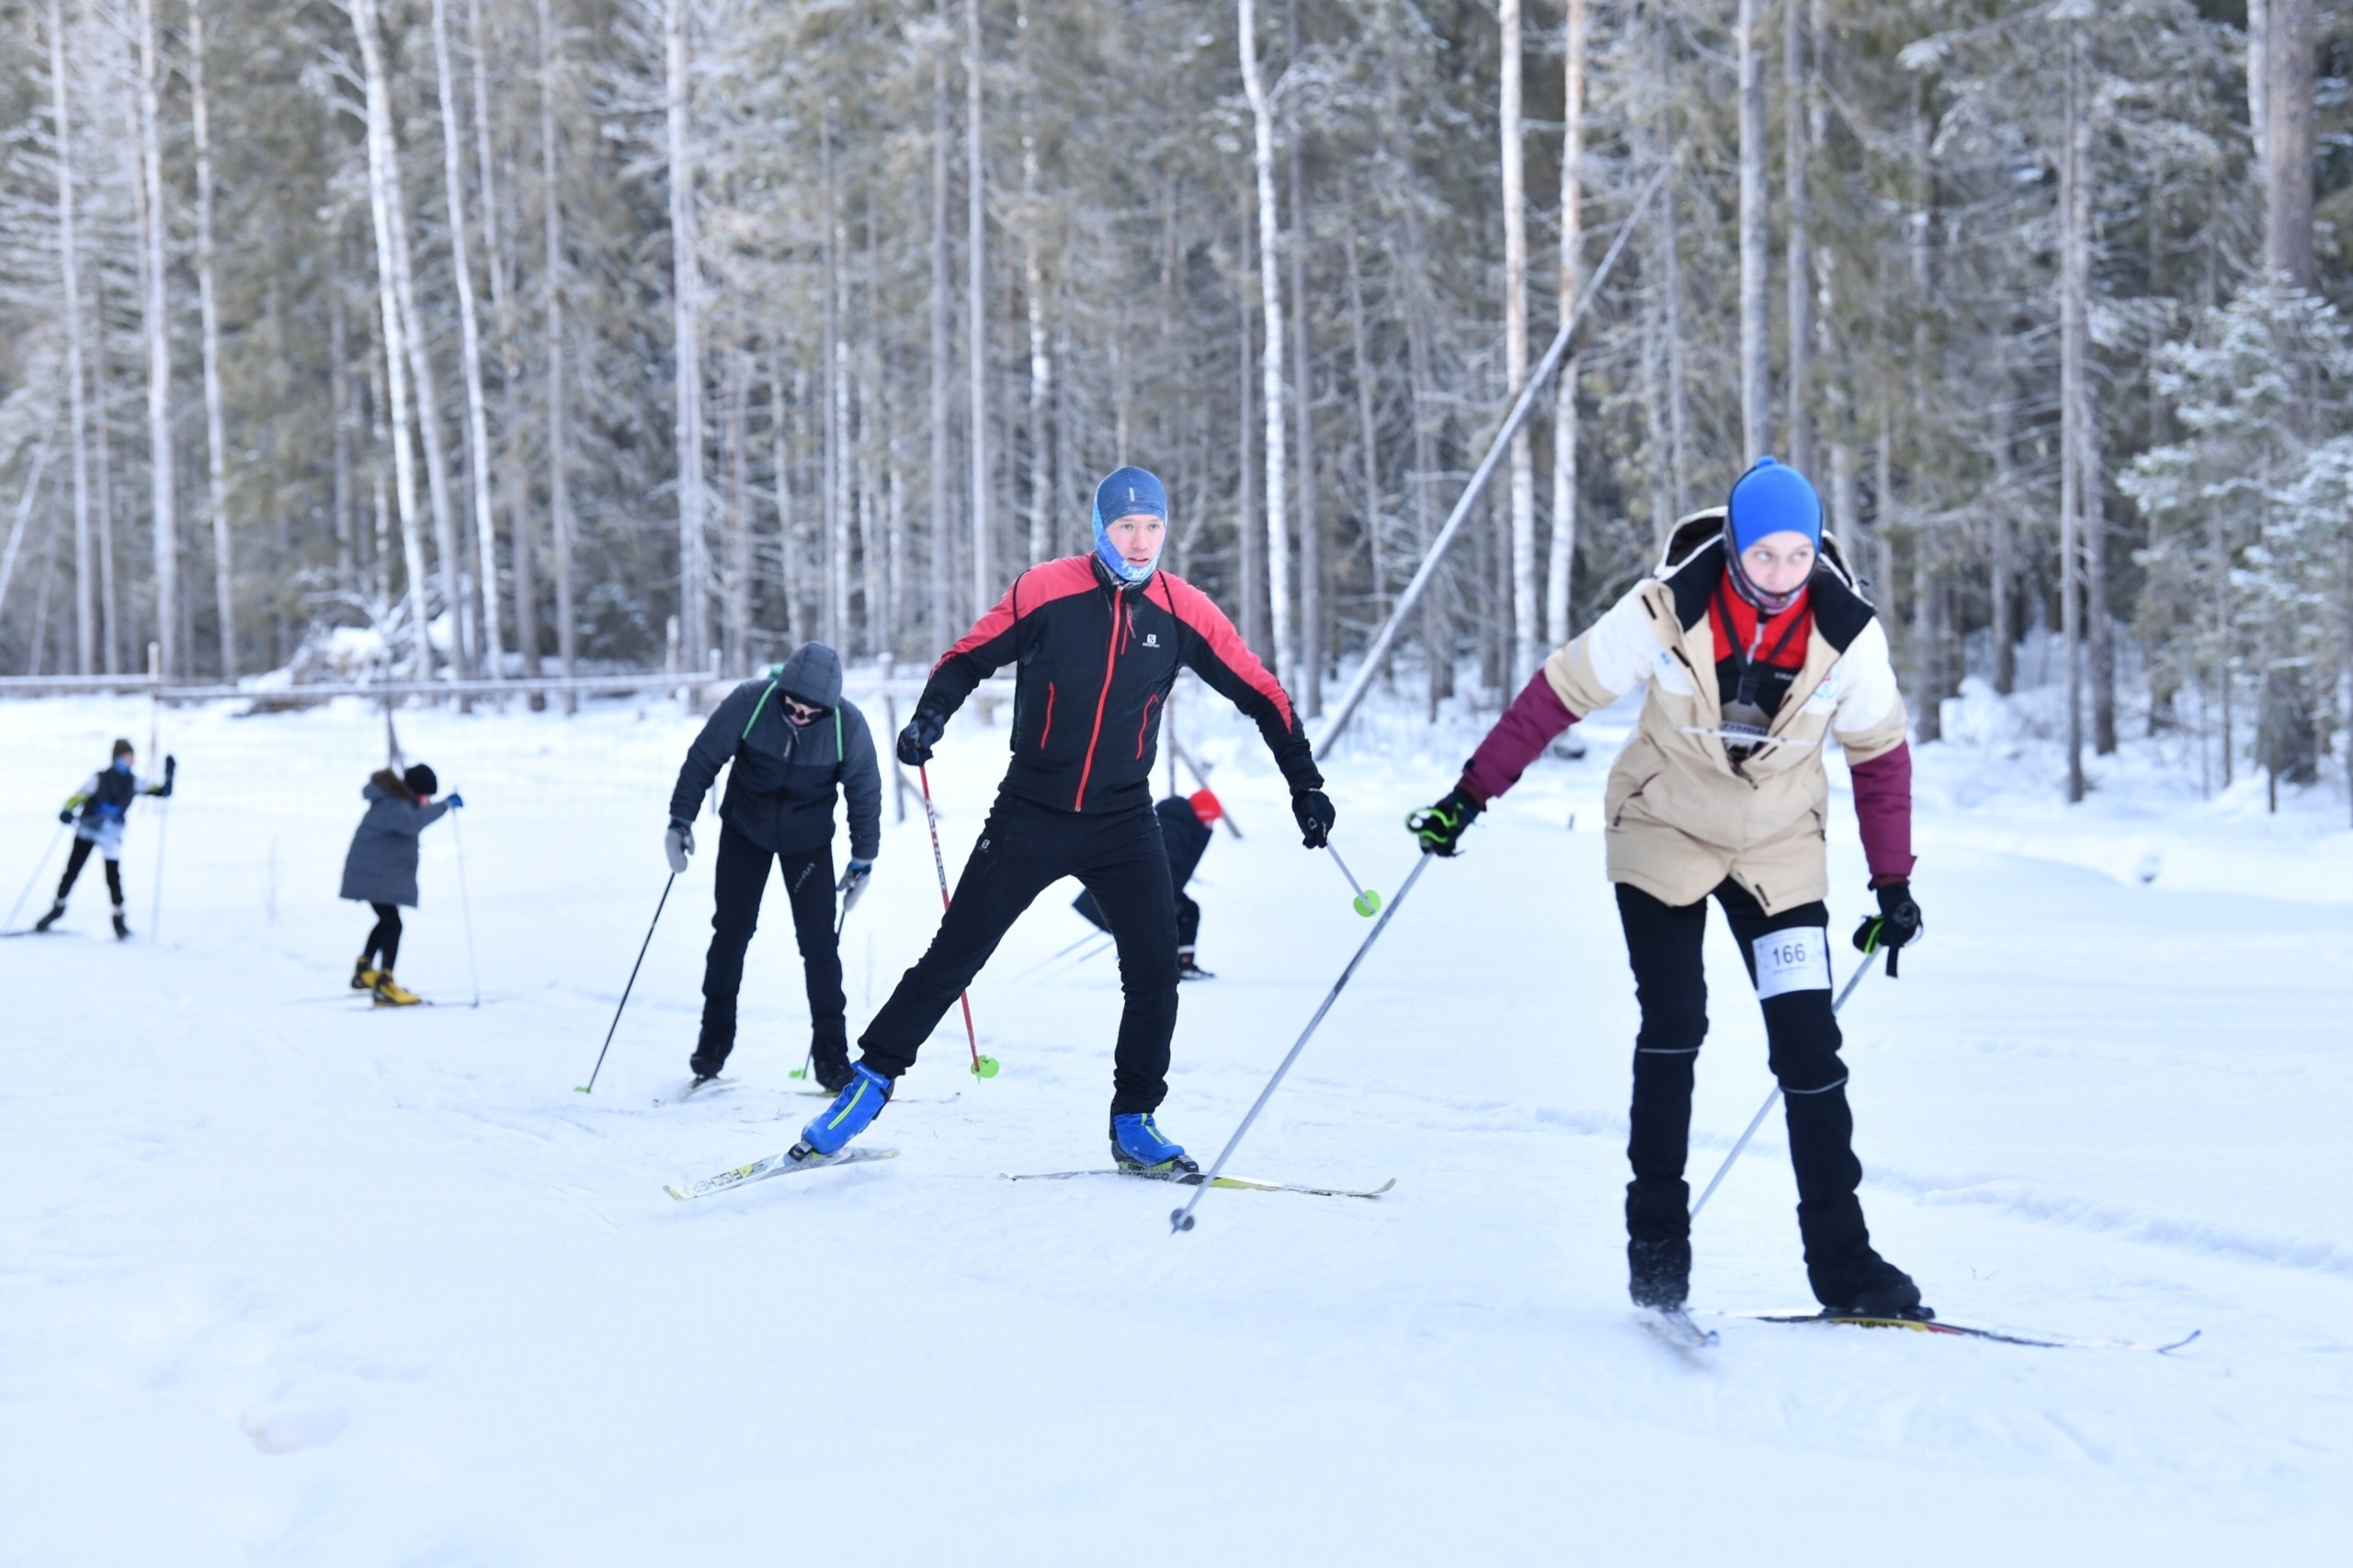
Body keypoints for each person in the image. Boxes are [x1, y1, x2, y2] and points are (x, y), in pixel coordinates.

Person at [1407, 457, 1929, 1320]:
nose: (1781, 575)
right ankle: (1657, 1251)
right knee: (1677, 1020)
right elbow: (1556, 696)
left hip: (1779, 847)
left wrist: (1893, 882)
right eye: (1765, 555)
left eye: (1799, 556)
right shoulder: (1664, 610)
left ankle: (1847, 1267)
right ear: (1733, 545)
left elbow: (1881, 759)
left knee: (1809, 1048)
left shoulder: (1849, 634)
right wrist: (1470, 795)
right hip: (1662, 830)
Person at [798, 466, 1335, 1174]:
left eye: (1153, 528)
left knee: (1154, 970)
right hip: (1031, 811)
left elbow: (1261, 693)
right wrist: (931, 716)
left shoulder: (1184, 610)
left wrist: (1305, 783)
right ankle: (865, 1088)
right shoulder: (1047, 589)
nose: (1141, 543)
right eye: (1126, 527)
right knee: (954, 956)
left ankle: (1135, 1119)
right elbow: (968, 656)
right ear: (1100, 528)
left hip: (1122, 820)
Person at [666, 641, 881, 1090]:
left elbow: (864, 793)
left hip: (808, 844)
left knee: (819, 945)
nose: (800, 717)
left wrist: (863, 857)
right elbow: (704, 757)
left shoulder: (847, 725)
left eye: (810, 712)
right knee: (731, 932)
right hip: (745, 831)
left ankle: (832, 1061)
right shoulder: (751, 701)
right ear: (781, 690)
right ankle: (712, 1047)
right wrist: (680, 821)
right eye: (793, 707)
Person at [340, 762, 460, 1006]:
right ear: (417, 792)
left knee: (386, 921)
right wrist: (445, 805)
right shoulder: (394, 806)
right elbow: (412, 823)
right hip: (371, 877)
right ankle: (385, 983)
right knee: (392, 924)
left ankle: (364, 970)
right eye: (427, 796)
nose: (427, 801)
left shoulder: (392, 803)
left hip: (373, 876)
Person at [1072, 788, 1222, 980]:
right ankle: (1152, 963)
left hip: (1144, 889)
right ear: (1203, 814)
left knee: (1185, 912)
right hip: (1135, 892)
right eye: (1211, 819)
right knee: (1177, 915)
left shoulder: (1180, 824)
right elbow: (1163, 868)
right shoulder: (1176, 828)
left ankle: (1170, 962)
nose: (1212, 825)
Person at [36, 738, 175, 939]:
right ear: (117, 757)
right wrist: (67, 811)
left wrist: (170, 774)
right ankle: (57, 908)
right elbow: (77, 797)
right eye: (127, 757)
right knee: (72, 870)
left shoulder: (134, 781)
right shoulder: (99, 778)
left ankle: (119, 918)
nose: (131, 761)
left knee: (113, 876)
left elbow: (163, 791)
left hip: (111, 833)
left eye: (132, 757)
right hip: (89, 829)